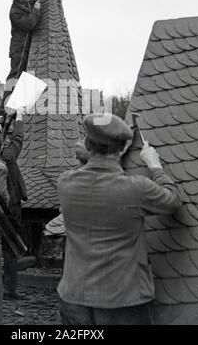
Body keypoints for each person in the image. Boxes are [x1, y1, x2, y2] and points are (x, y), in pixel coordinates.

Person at [57, 113, 181, 325]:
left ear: (88, 144)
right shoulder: (136, 189)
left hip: (74, 296)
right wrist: (155, 166)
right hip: (120, 300)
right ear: (122, 148)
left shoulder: (66, 183)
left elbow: (94, 176)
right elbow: (172, 201)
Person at [1, 106, 28, 300]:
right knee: (10, 248)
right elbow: (19, 138)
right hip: (11, 206)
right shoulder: (8, 156)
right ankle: (9, 288)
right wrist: (20, 119)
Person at [2, 0, 41, 106]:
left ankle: (19, 102)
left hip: (26, 48)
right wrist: (36, 9)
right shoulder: (14, 12)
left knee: (26, 77)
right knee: (15, 76)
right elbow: (29, 24)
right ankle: (4, 106)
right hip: (19, 49)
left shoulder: (24, 3)